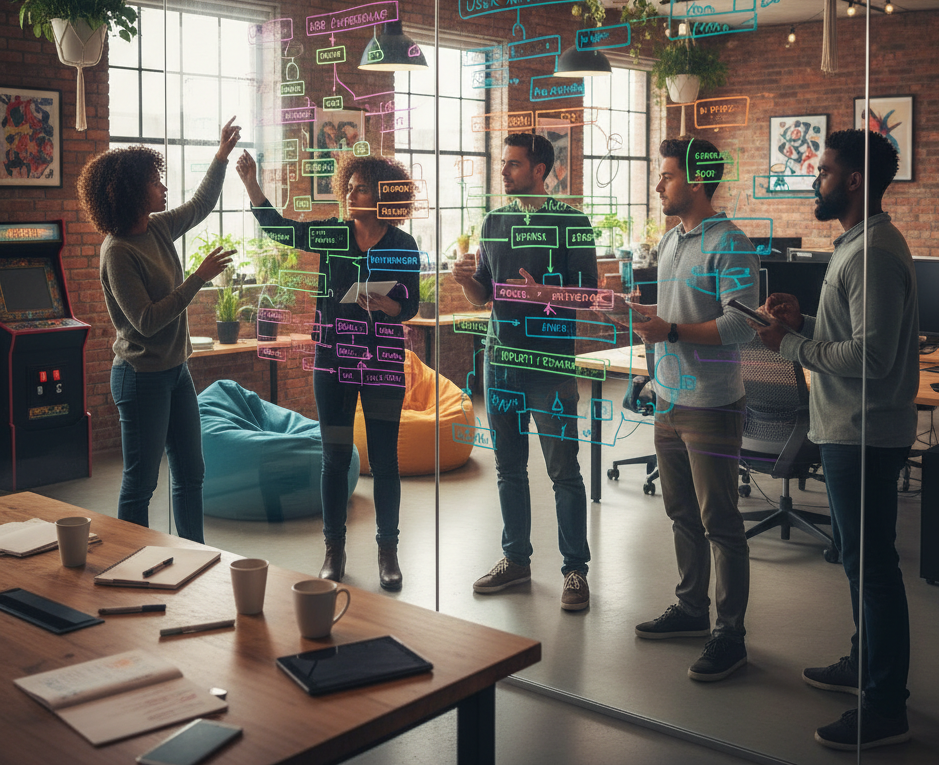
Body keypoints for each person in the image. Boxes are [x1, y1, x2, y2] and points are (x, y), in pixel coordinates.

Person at [754, 129, 918, 751]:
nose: (815, 180)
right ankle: (862, 662)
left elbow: (872, 357)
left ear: (853, 180)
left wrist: (791, 346)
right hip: (850, 428)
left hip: (864, 432)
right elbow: (847, 332)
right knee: (857, 560)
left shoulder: (873, 252)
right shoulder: (858, 245)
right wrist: (804, 322)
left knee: (872, 568)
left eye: (823, 171)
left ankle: (884, 706)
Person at [236, 149, 419, 590]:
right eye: (350, 185)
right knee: (335, 457)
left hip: (382, 361)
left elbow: (410, 304)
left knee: (385, 460)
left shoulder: (403, 244)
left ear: (381, 196)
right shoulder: (334, 234)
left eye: (361, 187)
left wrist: (388, 304)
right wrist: (251, 184)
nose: (351, 192)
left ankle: (387, 552)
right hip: (334, 361)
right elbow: (282, 229)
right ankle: (333, 550)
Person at [626, 136, 757, 682]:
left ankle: (730, 635)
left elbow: (741, 325)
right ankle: (690, 609)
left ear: (697, 181)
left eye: (667, 176)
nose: (659, 184)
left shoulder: (731, 243)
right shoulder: (672, 240)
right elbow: (675, 312)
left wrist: (673, 329)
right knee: (681, 515)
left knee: (720, 521)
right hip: (669, 399)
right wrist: (649, 330)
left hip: (711, 405)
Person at [78, 118, 242, 543]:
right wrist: (198, 278)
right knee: (141, 483)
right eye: (155, 181)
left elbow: (201, 204)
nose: (163, 188)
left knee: (191, 473)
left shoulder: (157, 226)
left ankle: (196, 555)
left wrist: (220, 156)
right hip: (140, 378)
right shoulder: (118, 252)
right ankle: (130, 560)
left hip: (176, 372)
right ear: (132, 191)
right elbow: (146, 321)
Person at [452, 133, 596, 611]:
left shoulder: (572, 222)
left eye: (513, 164)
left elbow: (591, 298)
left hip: (548, 365)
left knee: (563, 471)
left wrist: (545, 295)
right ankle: (515, 560)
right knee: (508, 469)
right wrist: (466, 282)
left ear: (540, 170)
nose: (505, 171)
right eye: (504, 163)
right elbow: (484, 298)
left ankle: (575, 570)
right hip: (501, 363)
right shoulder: (495, 221)